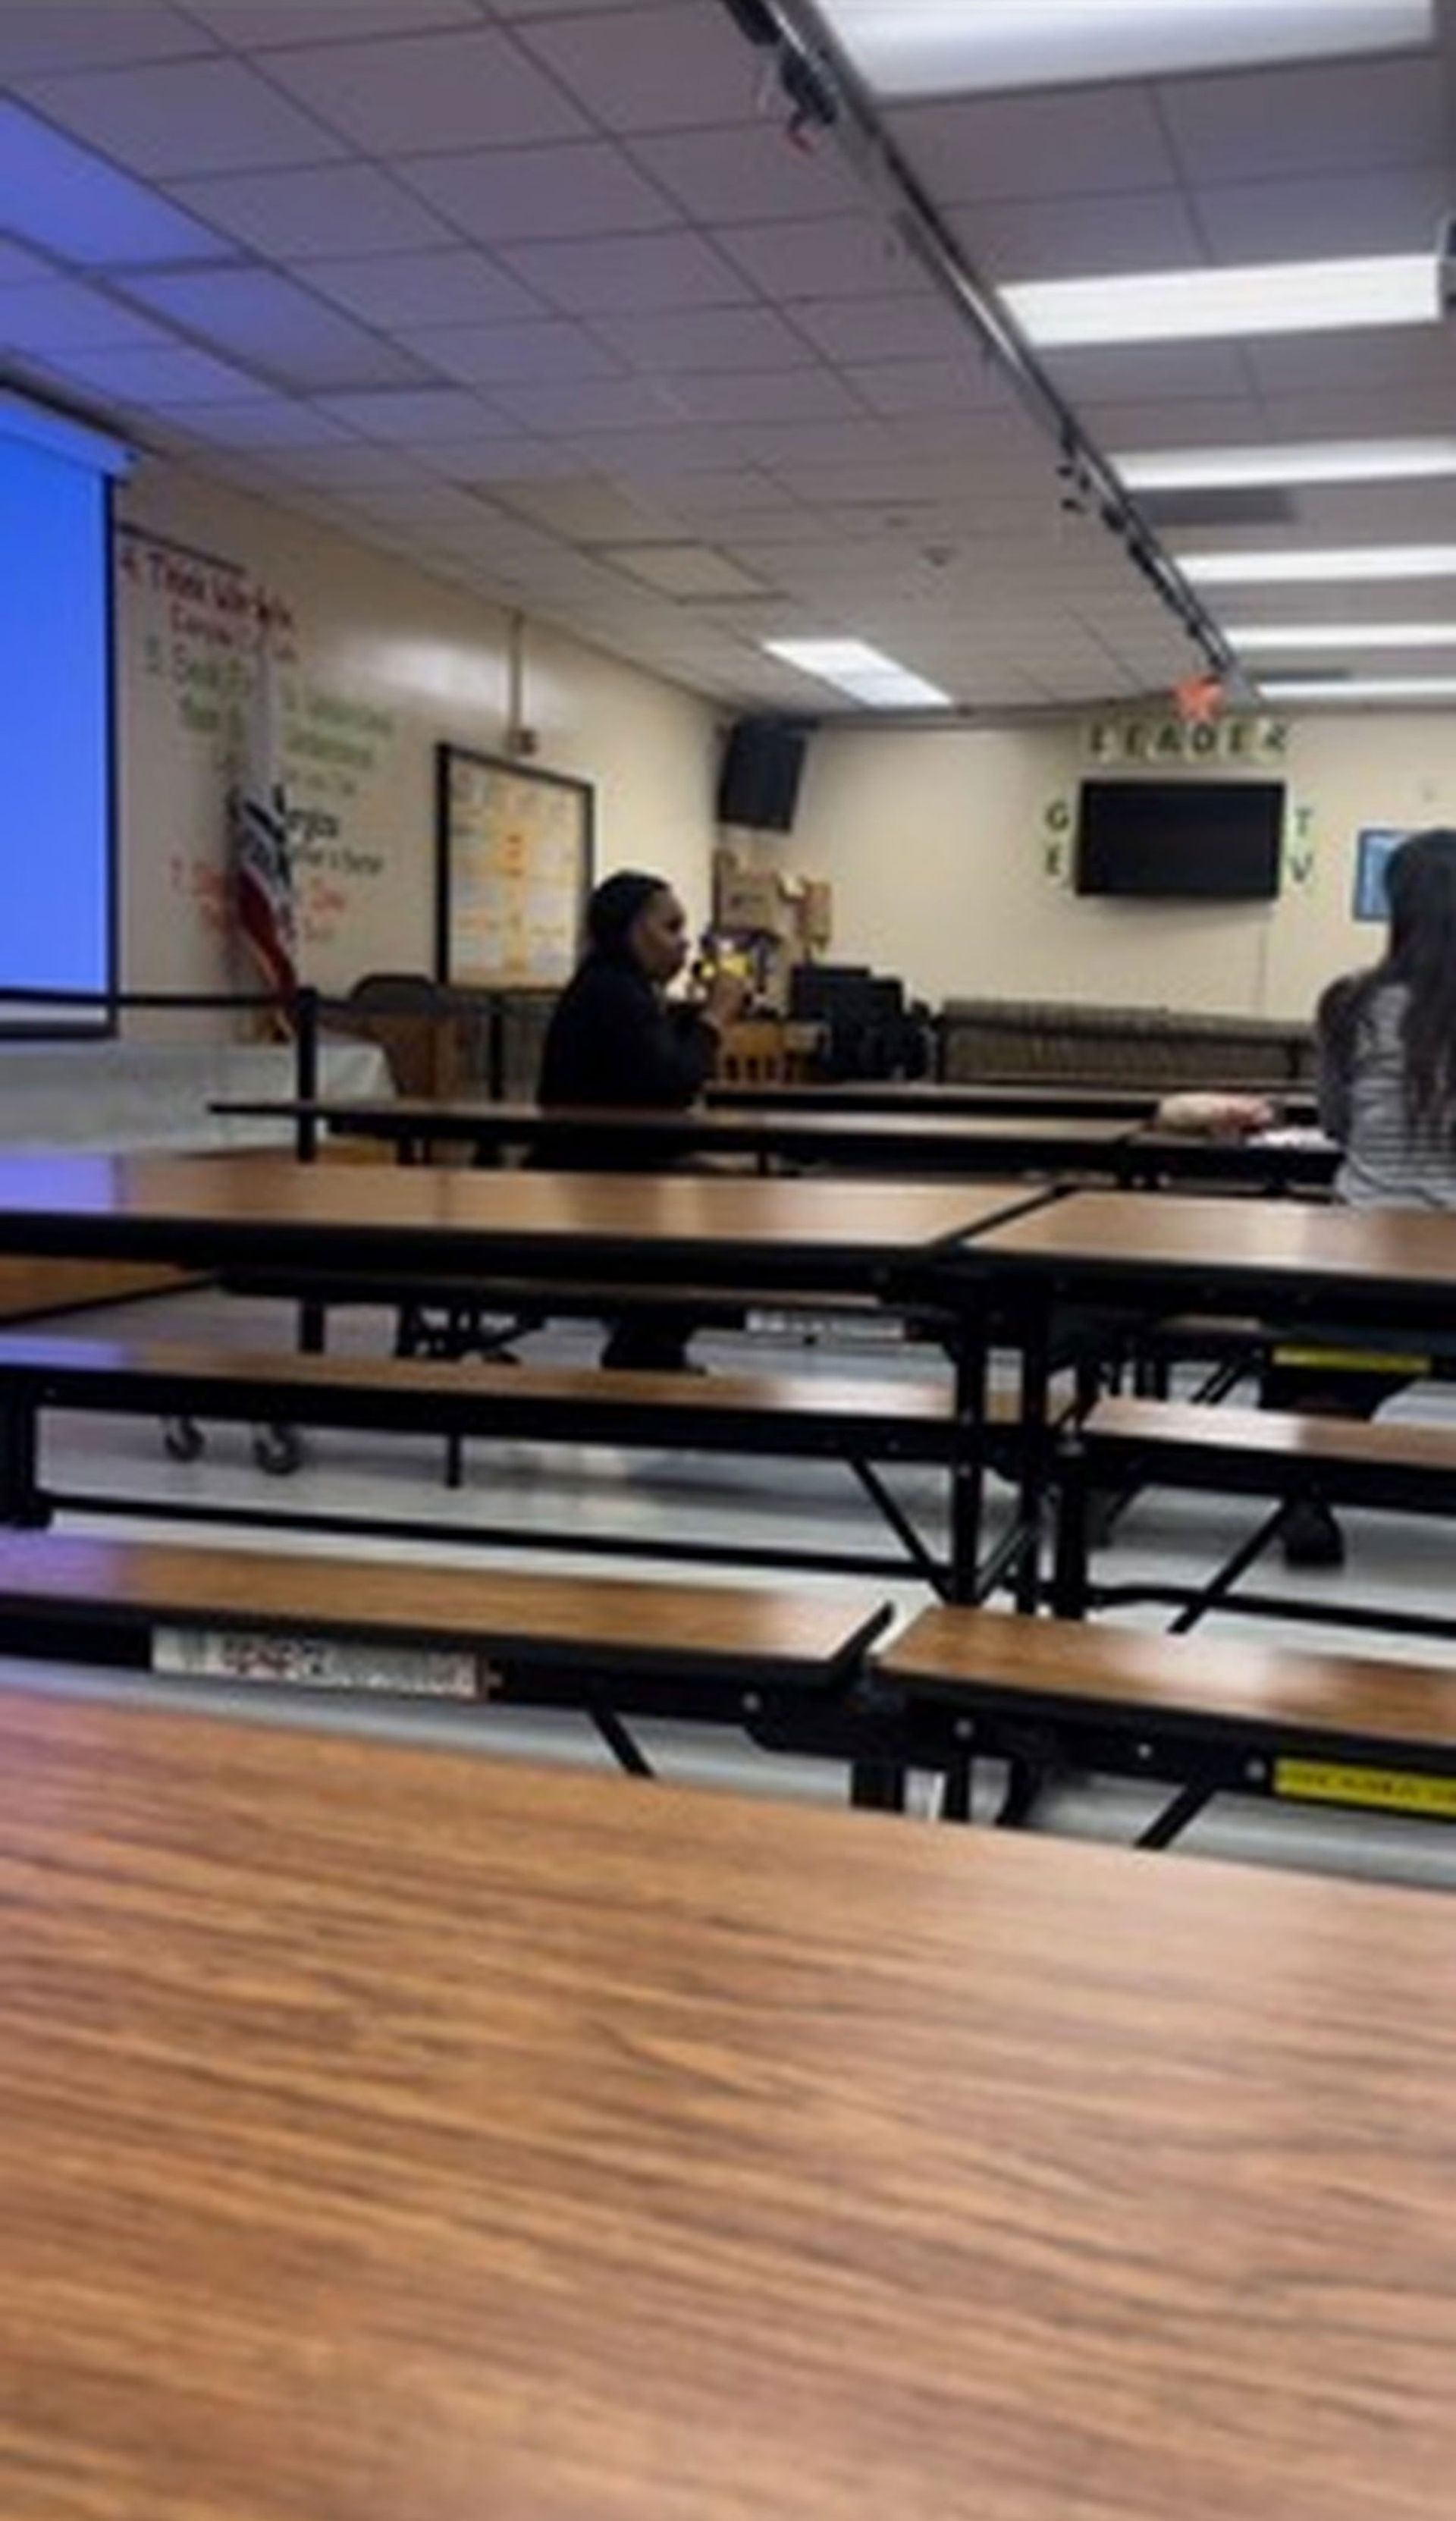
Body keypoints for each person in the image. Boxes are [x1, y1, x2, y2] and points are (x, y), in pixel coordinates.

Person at [1268, 825, 1456, 1562]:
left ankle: (1307, 1496)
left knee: (1302, 1350)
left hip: (1363, 1270)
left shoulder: (1348, 1004)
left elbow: (1339, 1127)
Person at [538, 868, 746, 1370]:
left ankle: (650, 1341)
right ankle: (646, 1347)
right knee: (734, 1212)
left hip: (604, 1159)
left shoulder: (614, 984)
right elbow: (668, 1086)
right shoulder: (614, 993)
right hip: (596, 1173)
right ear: (632, 930)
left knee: (725, 1199)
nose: (685, 945)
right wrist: (714, 1020)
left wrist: (692, 1020)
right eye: (672, 929)